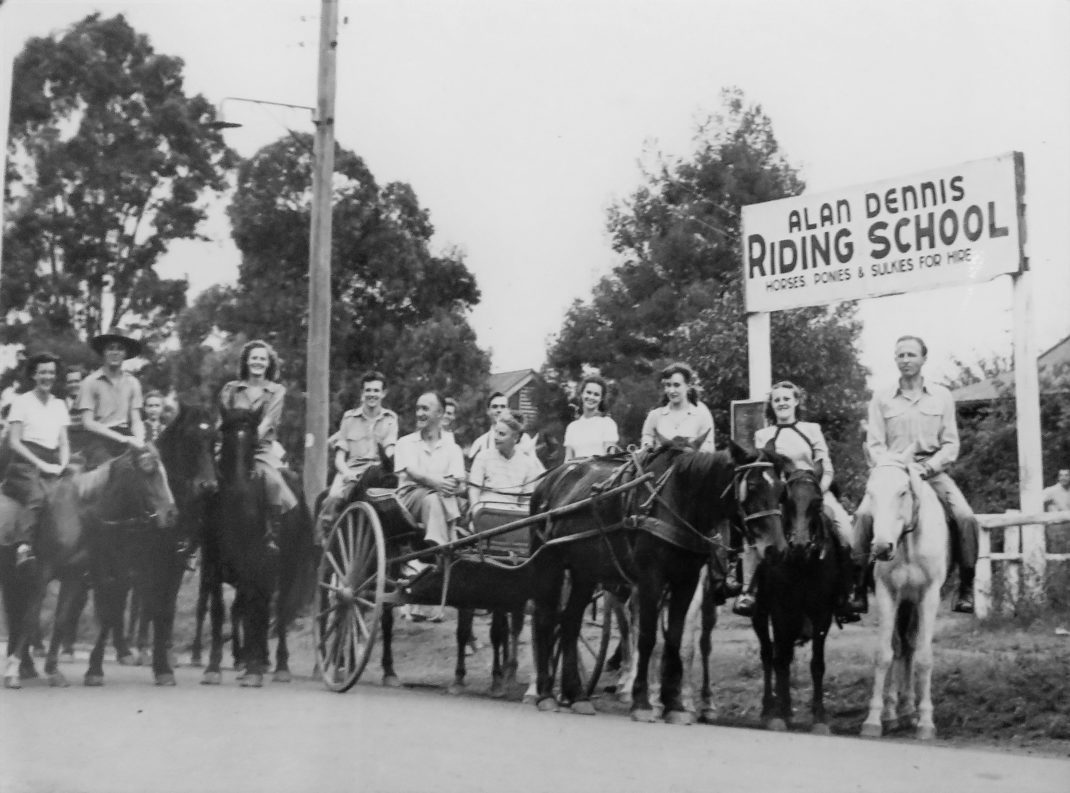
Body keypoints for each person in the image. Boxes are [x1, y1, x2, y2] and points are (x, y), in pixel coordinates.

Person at [850, 335, 979, 615]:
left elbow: (951, 443)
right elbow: (874, 443)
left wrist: (928, 467)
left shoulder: (942, 395)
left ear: (923, 358)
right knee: (862, 516)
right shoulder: (881, 397)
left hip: (930, 471)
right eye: (900, 356)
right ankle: (857, 586)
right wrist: (891, 467)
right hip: (893, 473)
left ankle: (966, 586)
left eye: (911, 355)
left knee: (965, 516)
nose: (905, 360)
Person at [733, 381, 858, 621]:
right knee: (757, 535)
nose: (782, 403)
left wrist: (819, 491)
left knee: (845, 530)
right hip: (780, 497)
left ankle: (848, 592)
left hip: (813, 492)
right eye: (777, 399)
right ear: (772, 404)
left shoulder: (811, 429)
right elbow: (763, 471)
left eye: (786, 399)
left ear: (796, 402)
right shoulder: (763, 435)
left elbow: (825, 464)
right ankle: (749, 590)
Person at [219, 340, 298, 555]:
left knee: (272, 481)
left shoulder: (276, 391)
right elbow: (223, 419)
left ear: (268, 363)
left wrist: (249, 441)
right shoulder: (231, 389)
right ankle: (196, 535)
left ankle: (272, 533)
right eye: (254, 358)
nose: (258, 362)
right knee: (208, 479)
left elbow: (268, 421)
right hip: (231, 446)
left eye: (262, 359)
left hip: (260, 448)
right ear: (246, 361)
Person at [2, 353, 70, 567]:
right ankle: (24, 546)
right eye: (42, 372)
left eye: (51, 372)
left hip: (53, 460)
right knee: (38, 495)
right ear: (33, 375)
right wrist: (41, 465)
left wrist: (63, 464)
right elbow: (14, 442)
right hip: (24, 464)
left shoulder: (59, 405)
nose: (47, 377)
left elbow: (64, 442)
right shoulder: (22, 402)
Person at [315, 371, 399, 542]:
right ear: (362, 393)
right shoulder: (349, 418)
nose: (372, 395)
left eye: (376, 391)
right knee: (333, 498)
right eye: (368, 390)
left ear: (383, 393)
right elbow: (340, 457)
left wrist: (386, 465)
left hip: (377, 471)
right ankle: (323, 541)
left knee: (398, 501)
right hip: (351, 469)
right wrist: (346, 473)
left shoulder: (390, 419)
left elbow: (390, 450)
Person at [395, 392, 466, 550]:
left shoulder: (453, 449)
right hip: (408, 501)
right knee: (437, 493)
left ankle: (437, 542)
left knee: (434, 498)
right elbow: (414, 474)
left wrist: (448, 484)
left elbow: (458, 483)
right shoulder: (405, 443)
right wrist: (438, 482)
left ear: (439, 413)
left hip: (438, 500)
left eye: (425, 409)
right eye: (418, 409)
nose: (419, 413)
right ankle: (449, 539)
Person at [78, 329, 146, 468]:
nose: (115, 353)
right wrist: (122, 439)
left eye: (120, 349)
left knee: (150, 466)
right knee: (107, 470)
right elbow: (88, 423)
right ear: (104, 352)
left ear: (125, 354)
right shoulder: (90, 382)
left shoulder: (132, 383)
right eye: (111, 348)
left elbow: (136, 419)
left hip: (126, 435)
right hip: (100, 438)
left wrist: (139, 439)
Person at [468, 412, 545, 510]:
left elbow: (525, 500)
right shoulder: (483, 457)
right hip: (485, 513)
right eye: (495, 432)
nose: (496, 437)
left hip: (511, 516)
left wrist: (519, 513)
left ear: (515, 438)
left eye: (501, 434)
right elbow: (474, 491)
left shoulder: (527, 463)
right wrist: (475, 510)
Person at [640, 362, 715, 452]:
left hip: (692, 464)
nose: (671, 391)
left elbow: (708, 448)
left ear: (688, 386)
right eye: (668, 385)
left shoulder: (701, 413)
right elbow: (647, 439)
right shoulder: (655, 415)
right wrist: (647, 446)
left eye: (676, 385)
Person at [563, 375, 619, 460]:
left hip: (600, 472)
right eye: (588, 392)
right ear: (582, 394)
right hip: (575, 472)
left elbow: (609, 458)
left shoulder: (608, 423)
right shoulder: (572, 427)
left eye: (596, 394)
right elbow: (567, 460)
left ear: (601, 399)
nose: (591, 397)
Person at [469, 392, 535, 461]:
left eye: (503, 407)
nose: (499, 410)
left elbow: (532, 466)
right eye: (494, 407)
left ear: (508, 410)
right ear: (488, 411)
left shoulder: (522, 439)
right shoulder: (480, 443)